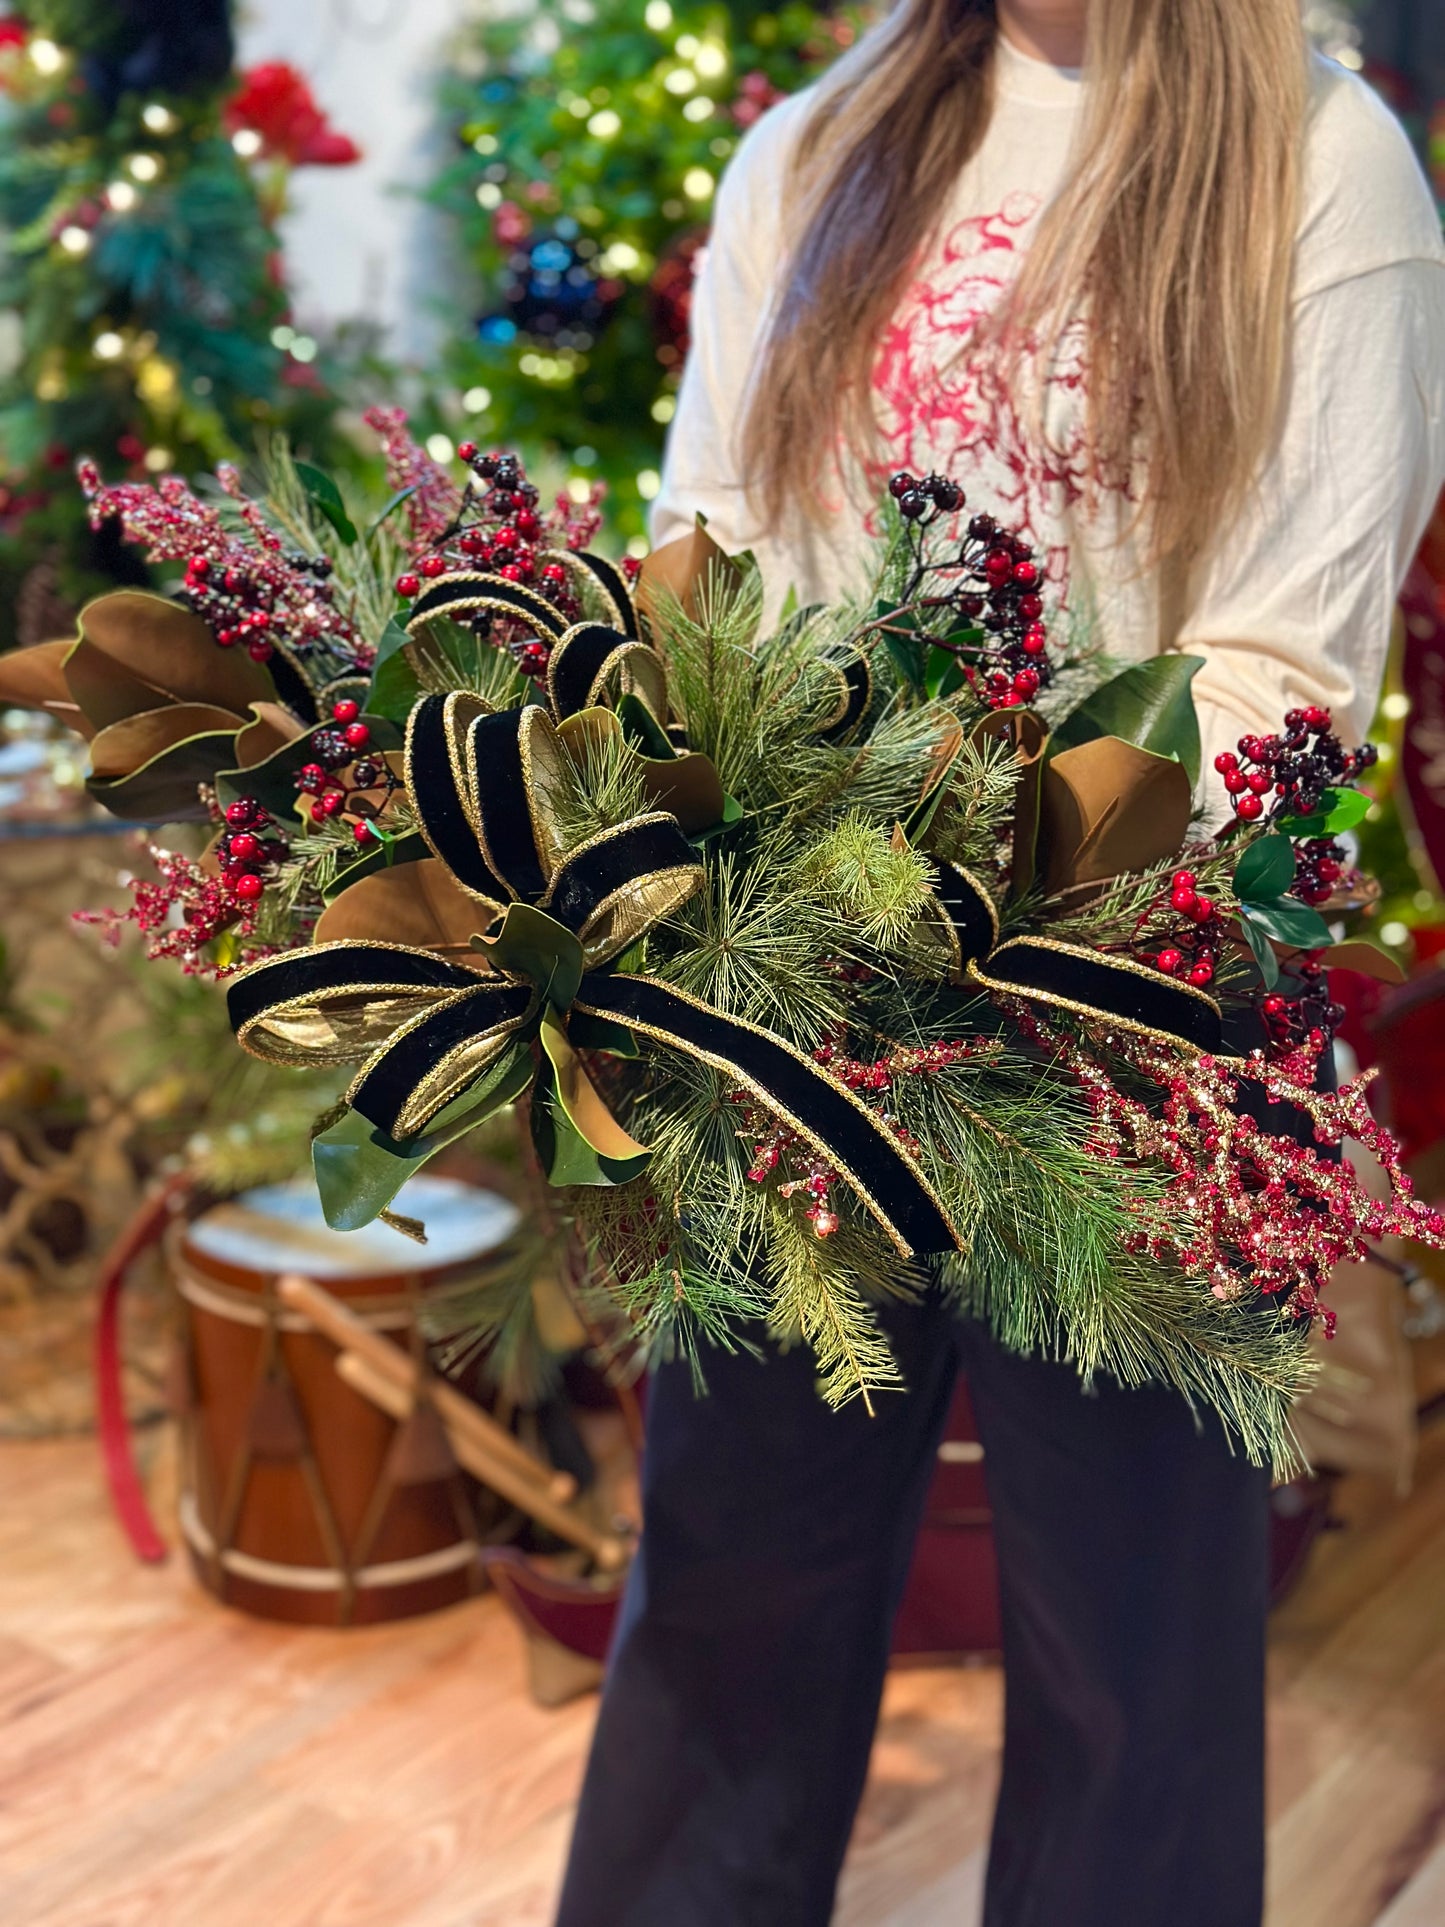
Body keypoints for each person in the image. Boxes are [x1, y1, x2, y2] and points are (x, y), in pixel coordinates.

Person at [556, 3, 1445, 1923]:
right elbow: (709, 547)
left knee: (1134, 1672)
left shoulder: (1321, 162)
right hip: (795, 995)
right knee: (726, 1589)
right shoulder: (813, 147)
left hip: (1145, 1017)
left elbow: (1285, 673)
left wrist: (962, 867)